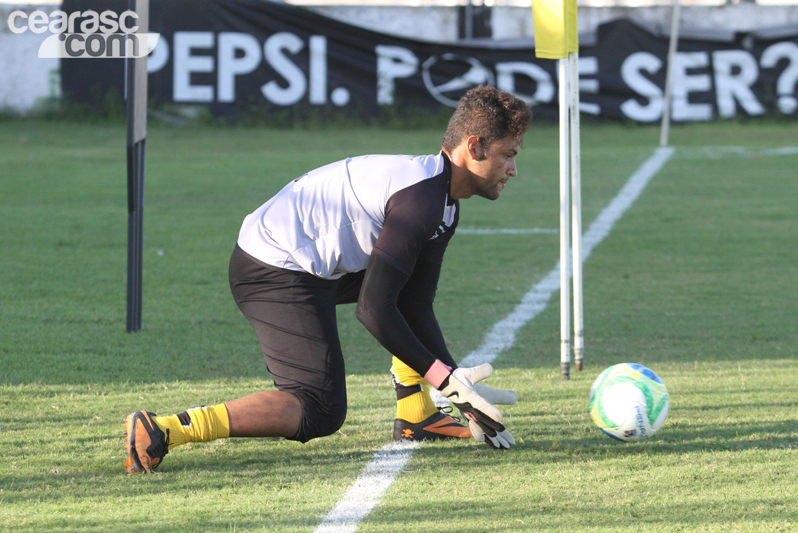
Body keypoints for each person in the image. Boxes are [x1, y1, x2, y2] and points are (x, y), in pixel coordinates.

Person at [124, 85, 533, 473]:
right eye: (508, 155)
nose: (513, 170)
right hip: (271, 266)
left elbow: (414, 303)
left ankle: (417, 415)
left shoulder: (443, 201)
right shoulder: (422, 201)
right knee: (319, 407)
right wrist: (447, 381)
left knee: (404, 288)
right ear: (474, 146)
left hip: (303, 260)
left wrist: (456, 387)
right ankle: (164, 429)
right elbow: (373, 310)